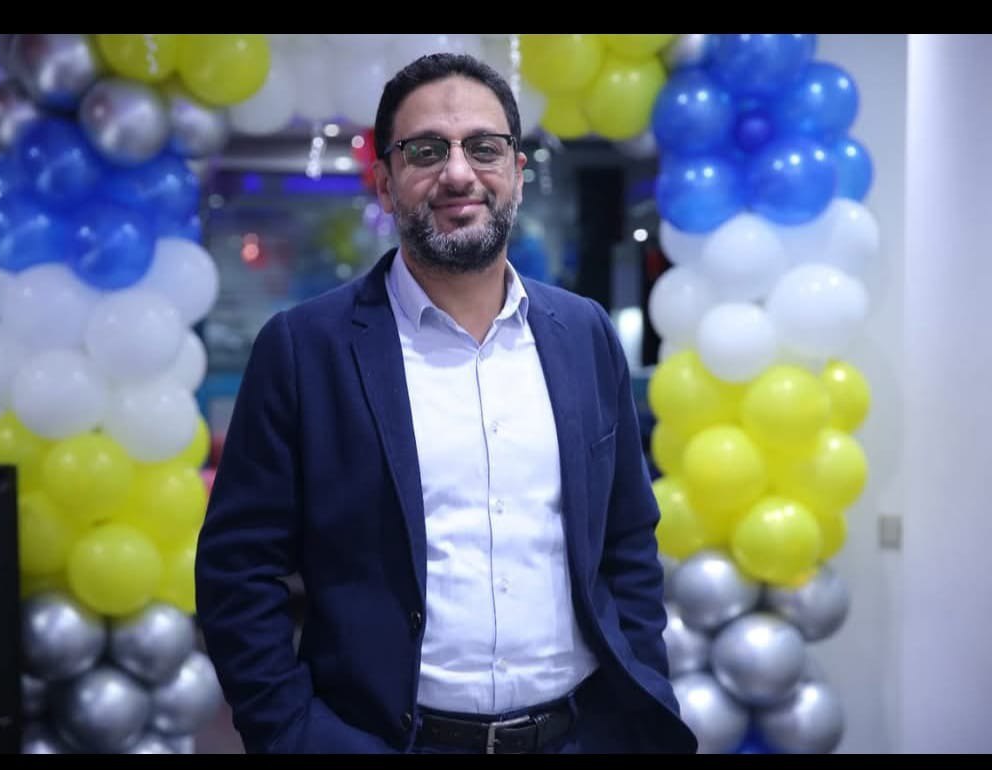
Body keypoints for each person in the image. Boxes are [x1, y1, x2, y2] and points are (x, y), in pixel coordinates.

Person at [195, 52, 697, 755]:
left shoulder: (583, 334)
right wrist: (295, 734)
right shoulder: (305, 349)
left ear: (516, 172)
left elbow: (627, 540)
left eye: (483, 148)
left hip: (581, 736)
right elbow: (237, 572)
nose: (458, 173)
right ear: (385, 182)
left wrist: (643, 690)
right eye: (427, 150)